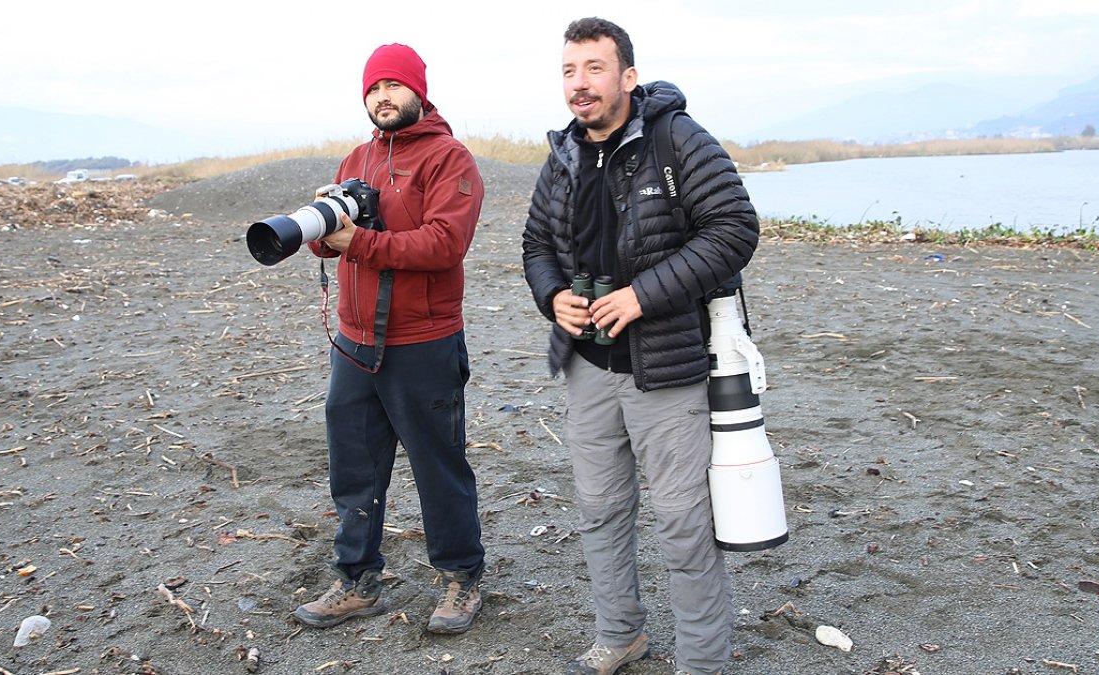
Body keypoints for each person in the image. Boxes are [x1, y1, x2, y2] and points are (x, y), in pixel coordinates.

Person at [522, 17, 760, 675]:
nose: (580, 84)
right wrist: (553, 296)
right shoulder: (564, 154)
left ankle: (703, 661)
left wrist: (640, 295)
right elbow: (536, 244)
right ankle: (621, 633)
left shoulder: (676, 138)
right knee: (600, 512)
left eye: (595, 68)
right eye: (569, 71)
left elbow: (735, 229)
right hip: (587, 366)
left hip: (666, 368)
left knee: (684, 525)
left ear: (628, 76)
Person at [293, 43, 486, 636]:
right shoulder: (356, 157)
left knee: (437, 465)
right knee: (355, 466)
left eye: (394, 86)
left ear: (419, 92)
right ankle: (356, 580)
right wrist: (322, 236)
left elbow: (443, 244)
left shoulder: (449, 159)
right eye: (374, 88)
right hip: (353, 342)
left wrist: (362, 245)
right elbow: (337, 237)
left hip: (423, 340)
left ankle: (461, 578)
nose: (383, 96)